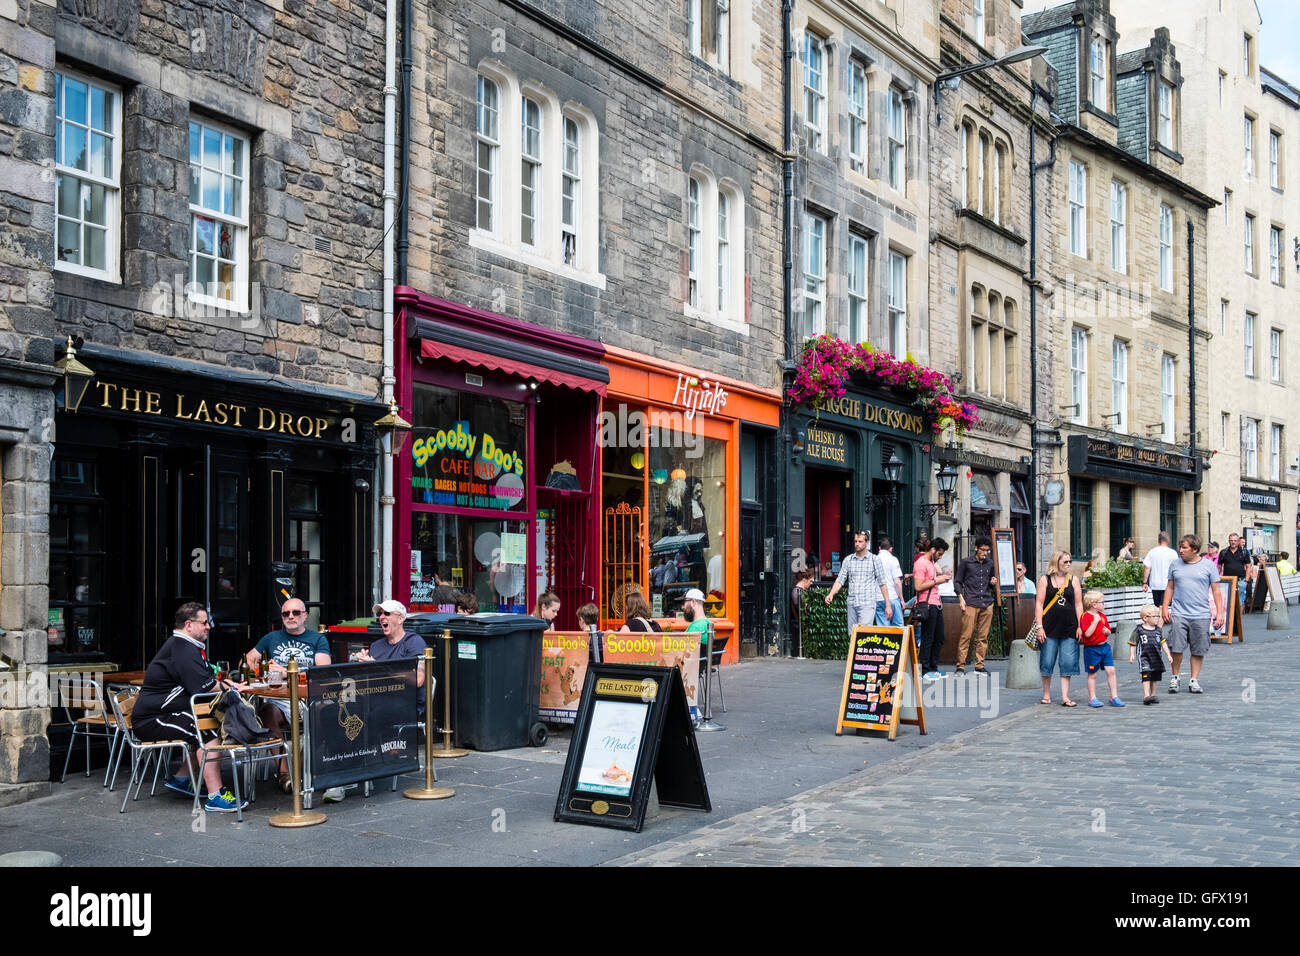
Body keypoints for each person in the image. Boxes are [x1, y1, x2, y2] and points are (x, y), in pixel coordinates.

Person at [135, 602, 248, 812]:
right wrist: (226, 687)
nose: (209, 627)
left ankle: (181, 779)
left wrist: (225, 685)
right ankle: (216, 796)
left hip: (165, 714)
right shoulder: (181, 648)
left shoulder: (185, 646)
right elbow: (202, 687)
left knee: (204, 723)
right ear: (189, 624)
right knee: (205, 729)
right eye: (204, 623)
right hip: (152, 719)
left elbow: (205, 680)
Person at [245, 597, 330, 793]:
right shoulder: (271, 638)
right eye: (286, 613)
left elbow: (323, 669)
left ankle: (296, 768)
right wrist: (262, 670)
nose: (291, 617)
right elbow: (249, 658)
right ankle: (283, 770)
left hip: (307, 697)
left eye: (296, 613)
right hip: (279, 698)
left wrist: (286, 671)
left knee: (322, 713)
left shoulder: (317, 639)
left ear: (305, 616)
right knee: (265, 712)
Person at [1162, 533, 1222, 695]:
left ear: (1194, 550)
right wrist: (1165, 607)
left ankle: (1194, 680)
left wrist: (1220, 613)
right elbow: (1170, 587)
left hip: (1201, 614)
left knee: (1198, 649)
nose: (1180, 550)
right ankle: (1175, 677)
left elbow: (1216, 591)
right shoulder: (1175, 564)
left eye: (1184, 547)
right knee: (1176, 647)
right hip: (1179, 613)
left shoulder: (1209, 566)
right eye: (1180, 547)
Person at [1035, 551, 1084, 707]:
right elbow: (1039, 604)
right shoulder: (1045, 580)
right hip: (1049, 627)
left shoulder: (1074, 580)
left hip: (1069, 627)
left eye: (1070, 561)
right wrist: (1039, 626)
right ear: (1056, 562)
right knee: (1047, 661)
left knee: (1068, 662)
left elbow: (1078, 604)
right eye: (1065, 562)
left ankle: (1065, 696)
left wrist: (1080, 625)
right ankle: (1046, 694)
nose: (1069, 564)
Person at [824, 530, 891, 635]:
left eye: (860, 541)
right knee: (853, 636)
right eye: (855, 541)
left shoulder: (874, 560)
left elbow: (882, 583)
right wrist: (831, 593)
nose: (857, 544)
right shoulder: (848, 560)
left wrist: (888, 604)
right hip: (852, 603)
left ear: (867, 542)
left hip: (867, 604)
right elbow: (840, 580)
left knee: (863, 636)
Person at [953, 536, 995, 674]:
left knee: (983, 637)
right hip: (970, 602)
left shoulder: (990, 563)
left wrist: (993, 582)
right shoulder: (966, 562)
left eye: (987, 550)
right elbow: (957, 581)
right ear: (976, 548)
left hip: (987, 602)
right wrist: (961, 598)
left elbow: (991, 582)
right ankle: (960, 666)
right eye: (983, 550)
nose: (985, 553)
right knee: (966, 635)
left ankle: (979, 665)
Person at [913, 537, 951, 680]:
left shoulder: (931, 562)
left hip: (936, 603)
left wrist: (940, 579)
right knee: (928, 637)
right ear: (933, 550)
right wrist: (937, 581)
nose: (940, 557)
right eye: (940, 554)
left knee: (939, 637)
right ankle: (925, 670)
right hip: (927, 603)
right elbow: (918, 586)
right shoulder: (921, 563)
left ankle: (933, 668)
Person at [1079, 589, 1123, 708]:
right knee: (1093, 674)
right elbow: (1087, 634)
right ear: (1093, 604)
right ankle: (1092, 698)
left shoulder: (1102, 616)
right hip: (1092, 649)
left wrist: (1107, 631)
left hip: (1104, 647)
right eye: (1102, 602)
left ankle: (1114, 696)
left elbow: (1107, 630)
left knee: (1111, 670)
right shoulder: (1085, 616)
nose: (1104, 604)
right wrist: (1094, 622)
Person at [1129, 605, 1174, 705]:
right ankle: (1146, 695)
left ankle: (1153, 695)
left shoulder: (1158, 630)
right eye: (1155, 616)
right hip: (1144, 657)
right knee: (1146, 675)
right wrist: (1132, 654)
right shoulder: (1139, 630)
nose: (1157, 619)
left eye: (1158, 616)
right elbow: (1132, 642)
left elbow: (1163, 643)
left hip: (1156, 657)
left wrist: (1168, 654)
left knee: (1154, 677)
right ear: (1145, 618)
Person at [1141, 532, 1178, 610]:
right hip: (1168, 584)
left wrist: (1145, 582)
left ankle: (1159, 621)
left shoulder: (1152, 552)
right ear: (1168, 540)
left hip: (1155, 584)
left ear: (1159, 540)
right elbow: (1176, 569)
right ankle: (1160, 622)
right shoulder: (1172, 553)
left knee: (1158, 607)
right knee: (1164, 607)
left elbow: (1147, 568)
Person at [874, 536, 905, 627]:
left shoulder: (874, 559)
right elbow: (897, 582)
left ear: (879, 548)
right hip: (892, 597)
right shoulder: (893, 560)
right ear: (891, 549)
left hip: (878, 598)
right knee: (898, 626)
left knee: (883, 628)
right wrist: (902, 599)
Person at [1216, 532, 1251, 611]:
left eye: (1235, 540)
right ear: (1229, 541)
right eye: (1231, 540)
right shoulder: (1223, 552)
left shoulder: (1244, 552)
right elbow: (1219, 566)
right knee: (1226, 601)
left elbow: (1248, 566)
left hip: (1240, 581)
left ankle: (1239, 621)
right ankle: (1229, 621)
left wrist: (1246, 580)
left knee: (1240, 602)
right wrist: (1217, 579)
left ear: (1238, 541)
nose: (1233, 542)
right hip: (1227, 581)